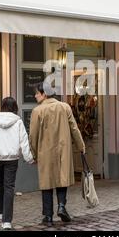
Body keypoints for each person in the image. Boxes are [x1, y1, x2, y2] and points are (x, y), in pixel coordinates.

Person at [29, 83, 86, 227]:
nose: (35, 95)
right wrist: (81, 146)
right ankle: (61, 206)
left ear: (44, 94)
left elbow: (33, 136)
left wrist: (33, 153)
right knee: (62, 179)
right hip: (63, 150)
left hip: (45, 151)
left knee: (46, 183)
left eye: (37, 93)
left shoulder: (37, 111)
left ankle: (48, 216)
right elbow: (74, 128)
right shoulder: (65, 107)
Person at [0, 97, 34, 231]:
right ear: (14, 107)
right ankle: (6, 221)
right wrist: (29, 158)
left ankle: (0, 211)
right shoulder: (18, 122)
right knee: (9, 188)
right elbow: (24, 141)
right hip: (12, 159)